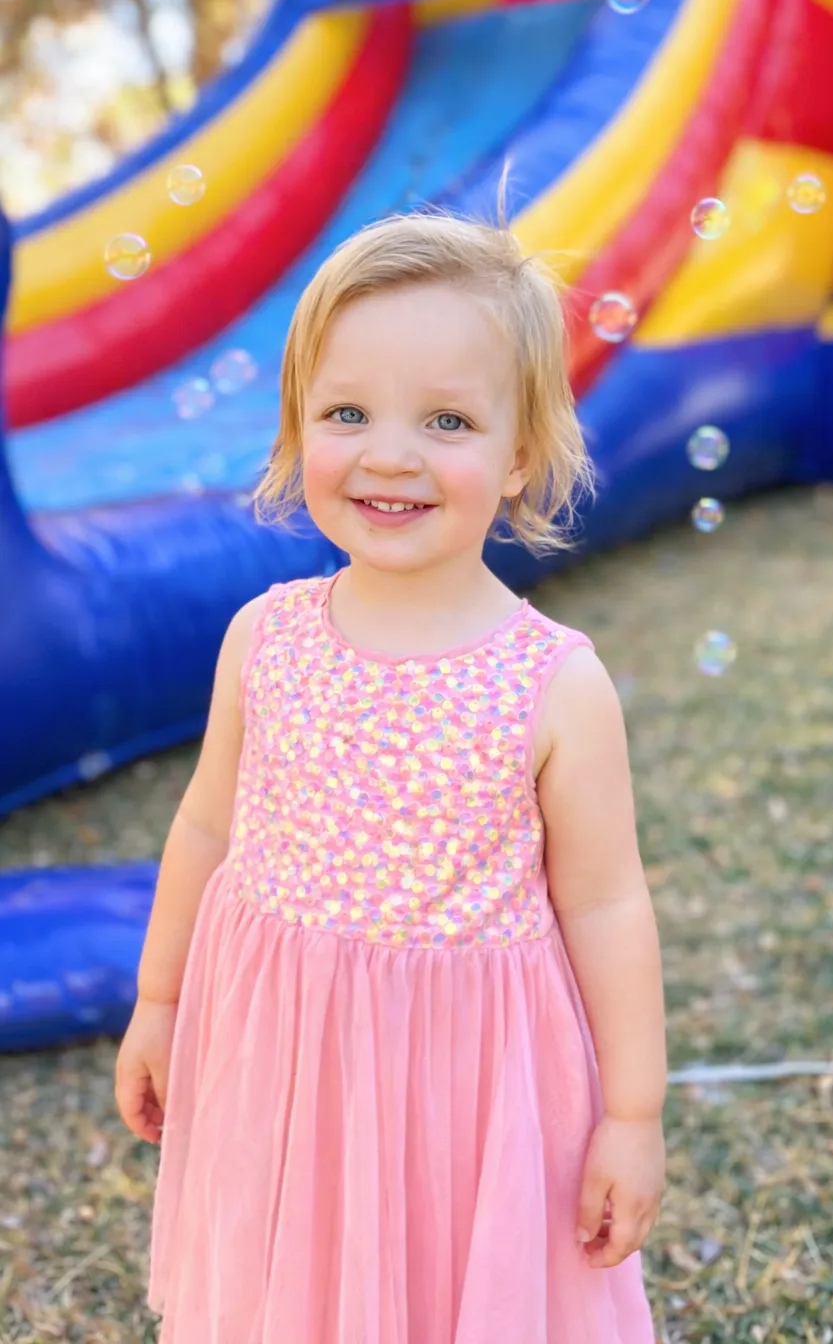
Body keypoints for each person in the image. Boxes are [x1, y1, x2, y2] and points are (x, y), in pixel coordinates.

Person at [114, 208, 667, 1343]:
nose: (390, 454)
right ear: (296, 428)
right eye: (347, 412)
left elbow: (607, 904)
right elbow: (207, 829)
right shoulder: (262, 638)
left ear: (520, 453)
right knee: (303, 1293)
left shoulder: (553, 685)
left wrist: (632, 1115)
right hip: (280, 1057)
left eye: (448, 420)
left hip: (468, 1093)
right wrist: (161, 1003)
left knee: (437, 1293)